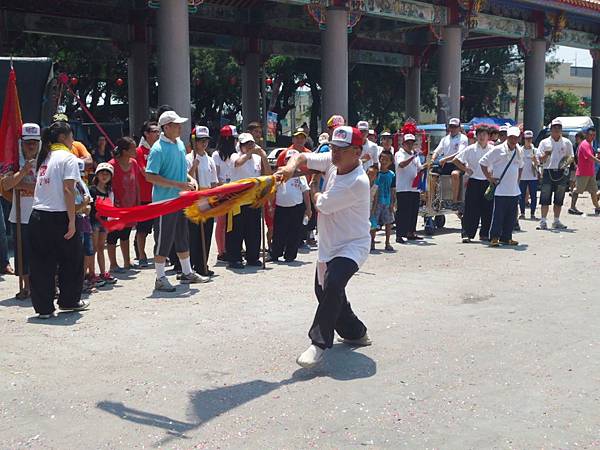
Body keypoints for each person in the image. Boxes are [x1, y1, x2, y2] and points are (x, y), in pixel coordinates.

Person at [276, 125, 371, 368]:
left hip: (353, 245)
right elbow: (302, 156)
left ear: (357, 152)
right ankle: (355, 332)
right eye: (334, 148)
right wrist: (289, 168)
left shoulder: (357, 181)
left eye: (342, 149)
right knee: (327, 292)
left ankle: (318, 344)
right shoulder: (334, 160)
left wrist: (315, 186)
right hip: (329, 244)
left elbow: (322, 204)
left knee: (334, 283)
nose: (335, 154)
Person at [29, 121, 89, 318]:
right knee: (71, 260)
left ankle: (44, 308)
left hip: (38, 216)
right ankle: (69, 301)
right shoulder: (68, 158)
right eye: (71, 136)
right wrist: (72, 221)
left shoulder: (45, 157)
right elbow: (68, 190)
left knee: (41, 264)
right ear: (63, 137)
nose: (73, 140)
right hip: (59, 217)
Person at [145, 110, 208, 291]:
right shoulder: (157, 149)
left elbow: (180, 172)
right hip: (165, 203)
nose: (180, 127)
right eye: (176, 124)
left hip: (181, 200)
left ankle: (187, 272)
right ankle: (160, 277)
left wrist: (190, 180)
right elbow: (150, 176)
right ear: (166, 127)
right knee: (164, 240)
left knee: (182, 237)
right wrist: (178, 184)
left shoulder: (179, 144)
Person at [1, 123, 40, 298]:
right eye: (27, 142)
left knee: (42, 252)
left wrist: (22, 184)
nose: (31, 146)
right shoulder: (14, 162)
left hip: (41, 213)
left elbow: (46, 186)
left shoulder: (46, 160)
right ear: (21, 143)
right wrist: (23, 172)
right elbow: (6, 184)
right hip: (20, 214)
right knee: (23, 254)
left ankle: (43, 285)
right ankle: (26, 286)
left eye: (34, 142)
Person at [226, 132, 272, 269]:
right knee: (236, 231)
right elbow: (238, 164)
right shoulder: (235, 156)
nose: (249, 146)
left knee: (253, 230)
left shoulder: (257, 159)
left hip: (253, 199)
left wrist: (263, 156)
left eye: (251, 143)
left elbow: (267, 174)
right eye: (246, 144)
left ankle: (252, 256)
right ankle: (234, 258)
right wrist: (250, 153)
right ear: (240, 146)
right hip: (238, 200)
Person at [480, 126, 524, 247]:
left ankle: (507, 237)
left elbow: (521, 166)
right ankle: (494, 237)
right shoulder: (497, 149)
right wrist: (489, 178)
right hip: (500, 189)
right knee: (498, 215)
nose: (513, 140)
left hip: (513, 190)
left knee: (511, 216)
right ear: (507, 137)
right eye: (511, 137)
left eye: (516, 137)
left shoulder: (519, 150)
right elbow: (483, 162)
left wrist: (517, 181)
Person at [186, 126, 218, 276]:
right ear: (194, 142)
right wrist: (193, 167)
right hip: (194, 199)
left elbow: (214, 183)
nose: (204, 143)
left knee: (206, 232)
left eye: (206, 140)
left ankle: (202, 264)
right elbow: (186, 179)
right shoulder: (188, 158)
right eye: (200, 140)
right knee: (194, 234)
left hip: (207, 198)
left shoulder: (210, 160)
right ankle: (191, 266)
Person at [453, 126, 494, 243]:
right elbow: (456, 160)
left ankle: (485, 233)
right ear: (476, 136)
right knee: (471, 209)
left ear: (488, 136)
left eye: (484, 134)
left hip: (487, 181)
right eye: (480, 134)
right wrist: (466, 169)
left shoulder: (492, 149)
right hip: (474, 180)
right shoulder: (470, 149)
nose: (482, 136)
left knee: (488, 209)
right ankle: (467, 233)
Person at [270, 150, 311, 262]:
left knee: (294, 232)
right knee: (279, 232)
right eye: (288, 159)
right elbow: (273, 191)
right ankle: (275, 254)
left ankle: (290, 256)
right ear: (285, 161)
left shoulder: (300, 175)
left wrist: (308, 209)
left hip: (297, 207)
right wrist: (271, 206)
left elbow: (306, 192)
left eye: (292, 159)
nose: (290, 161)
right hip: (281, 207)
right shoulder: (279, 174)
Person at [107, 137, 141, 273]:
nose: (135, 150)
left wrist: (138, 201)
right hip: (116, 207)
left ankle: (127, 262)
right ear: (125, 151)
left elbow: (137, 183)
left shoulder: (133, 163)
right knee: (113, 236)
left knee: (126, 234)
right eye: (133, 148)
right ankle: (113, 264)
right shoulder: (112, 165)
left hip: (131, 204)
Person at [536, 119, 574, 230]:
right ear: (551, 129)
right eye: (554, 128)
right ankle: (543, 221)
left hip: (561, 172)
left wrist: (564, 165)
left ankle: (556, 220)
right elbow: (540, 160)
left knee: (559, 198)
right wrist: (546, 154)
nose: (556, 130)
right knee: (545, 198)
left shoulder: (566, 142)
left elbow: (571, 157)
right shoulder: (544, 142)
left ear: (561, 130)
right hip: (548, 171)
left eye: (558, 128)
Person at [134, 120, 161, 267]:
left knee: (159, 227)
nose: (158, 134)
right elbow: (145, 172)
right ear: (146, 134)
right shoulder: (139, 151)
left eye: (158, 131)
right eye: (154, 131)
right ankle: (141, 254)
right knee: (142, 228)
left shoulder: (159, 149)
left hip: (159, 194)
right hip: (144, 195)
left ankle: (160, 253)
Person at [212, 125, 238, 261]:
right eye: (234, 139)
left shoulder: (236, 154)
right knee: (221, 223)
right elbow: (216, 176)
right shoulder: (216, 155)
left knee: (233, 222)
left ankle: (232, 247)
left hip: (234, 192)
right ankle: (221, 251)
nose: (236, 141)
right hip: (222, 192)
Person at [430, 118, 468, 209]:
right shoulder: (445, 139)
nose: (453, 129)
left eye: (455, 127)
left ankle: (454, 201)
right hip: (446, 163)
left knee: (455, 174)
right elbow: (437, 151)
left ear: (459, 127)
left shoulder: (463, 138)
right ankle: (432, 199)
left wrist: (445, 159)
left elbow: (459, 153)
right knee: (432, 174)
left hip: (458, 163)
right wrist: (432, 159)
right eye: (451, 126)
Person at [89, 163, 117, 286]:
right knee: (93, 248)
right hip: (93, 222)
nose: (104, 176)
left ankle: (102, 272)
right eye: (102, 173)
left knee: (101, 247)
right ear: (97, 175)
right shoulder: (92, 190)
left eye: (107, 174)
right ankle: (92, 274)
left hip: (104, 222)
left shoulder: (109, 191)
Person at [394, 134, 422, 243]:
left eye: (412, 143)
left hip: (414, 187)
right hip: (403, 187)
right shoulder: (399, 154)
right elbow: (401, 165)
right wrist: (412, 157)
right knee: (403, 212)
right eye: (408, 143)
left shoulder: (415, 155)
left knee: (413, 211)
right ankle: (400, 234)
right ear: (403, 144)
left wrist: (427, 165)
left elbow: (419, 168)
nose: (410, 145)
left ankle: (411, 232)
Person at [569, 127, 600, 215]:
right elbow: (589, 156)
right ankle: (572, 207)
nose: (592, 137)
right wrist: (598, 161)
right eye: (591, 135)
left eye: (594, 135)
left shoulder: (589, 144)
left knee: (594, 191)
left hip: (590, 172)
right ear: (586, 135)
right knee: (577, 190)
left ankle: (597, 207)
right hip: (583, 172)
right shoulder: (585, 144)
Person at [372, 151, 395, 251]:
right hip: (376, 202)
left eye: (387, 159)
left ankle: (387, 242)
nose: (384, 161)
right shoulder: (375, 173)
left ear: (390, 162)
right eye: (382, 159)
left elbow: (392, 189)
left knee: (388, 223)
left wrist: (393, 203)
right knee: (373, 223)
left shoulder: (392, 174)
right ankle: (372, 242)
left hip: (387, 202)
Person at [519, 130, 539, 220]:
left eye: (530, 138)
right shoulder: (520, 150)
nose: (528, 140)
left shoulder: (535, 150)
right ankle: (522, 213)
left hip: (533, 177)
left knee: (533, 196)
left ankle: (532, 214)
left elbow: (538, 163)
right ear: (524, 139)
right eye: (527, 138)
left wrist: (535, 160)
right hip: (522, 177)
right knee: (521, 196)